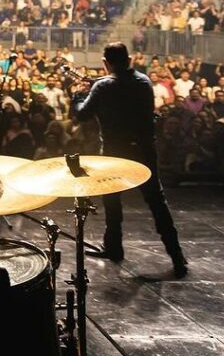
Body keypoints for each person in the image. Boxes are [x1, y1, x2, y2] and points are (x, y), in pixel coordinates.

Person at [72, 42, 188, 278]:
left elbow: (82, 114)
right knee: (157, 201)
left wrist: (78, 95)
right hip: (144, 149)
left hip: (115, 151)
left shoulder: (103, 86)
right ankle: (177, 256)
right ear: (130, 60)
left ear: (106, 63)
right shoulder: (144, 82)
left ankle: (114, 248)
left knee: (113, 200)